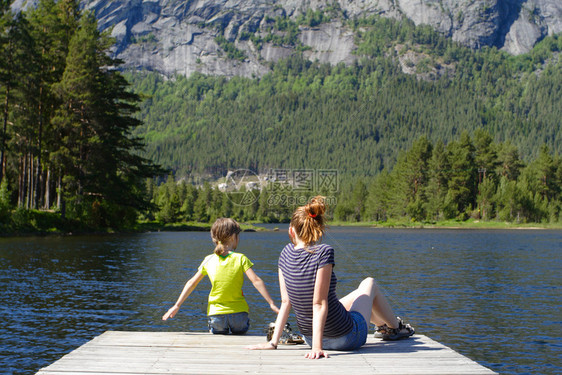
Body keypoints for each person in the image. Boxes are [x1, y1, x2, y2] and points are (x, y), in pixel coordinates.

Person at [248, 196, 414, 358]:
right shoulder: (324, 252)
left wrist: (273, 343)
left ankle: (383, 327)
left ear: (291, 231)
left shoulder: (285, 254)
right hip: (345, 338)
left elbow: (286, 302)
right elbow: (319, 303)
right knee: (369, 283)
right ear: (318, 229)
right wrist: (317, 348)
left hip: (309, 337)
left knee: (356, 298)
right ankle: (396, 328)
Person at [163, 217, 279, 334]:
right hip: (239, 316)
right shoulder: (240, 258)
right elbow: (256, 281)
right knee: (242, 329)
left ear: (214, 238)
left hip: (216, 316)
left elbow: (191, 283)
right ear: (233, 237)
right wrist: (271, 303)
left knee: (215, 330)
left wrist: (176, 305)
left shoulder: (208, 260)